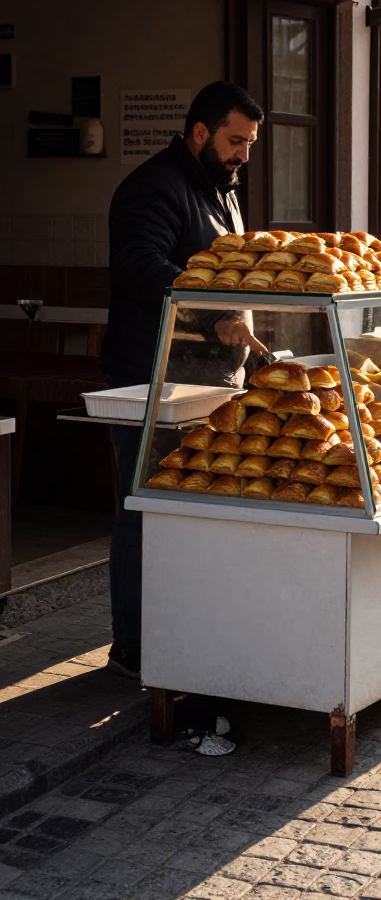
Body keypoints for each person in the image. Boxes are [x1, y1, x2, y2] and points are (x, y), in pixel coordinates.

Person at [101, 81, 266, 679]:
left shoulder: (221, 188)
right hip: (153, 379)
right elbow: (142, 269)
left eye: (249, 143)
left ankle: (183, 633)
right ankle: (133, 648)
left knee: (193, 508)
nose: (243, 154)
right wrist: (213, 314)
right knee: (146, 507)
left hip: (209, 380)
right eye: (235, 141)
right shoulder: (151, 188)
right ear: (200, 132)